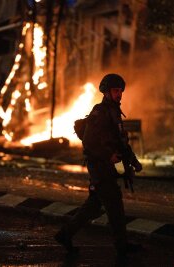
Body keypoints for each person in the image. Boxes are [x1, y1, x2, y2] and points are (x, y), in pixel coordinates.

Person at [54, 73, 143, 264]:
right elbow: (89, 141)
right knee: (115, 207)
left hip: (108, 167)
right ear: (106, 92)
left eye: (120, 90)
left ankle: (65, 234)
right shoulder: (100, 112)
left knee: (93, 206)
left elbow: (121, 142)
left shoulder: (114, 112)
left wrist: (133, 161)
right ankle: (122, 247)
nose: (119, 94)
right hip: (101, 168)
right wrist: (108, 155)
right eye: (115, 90)